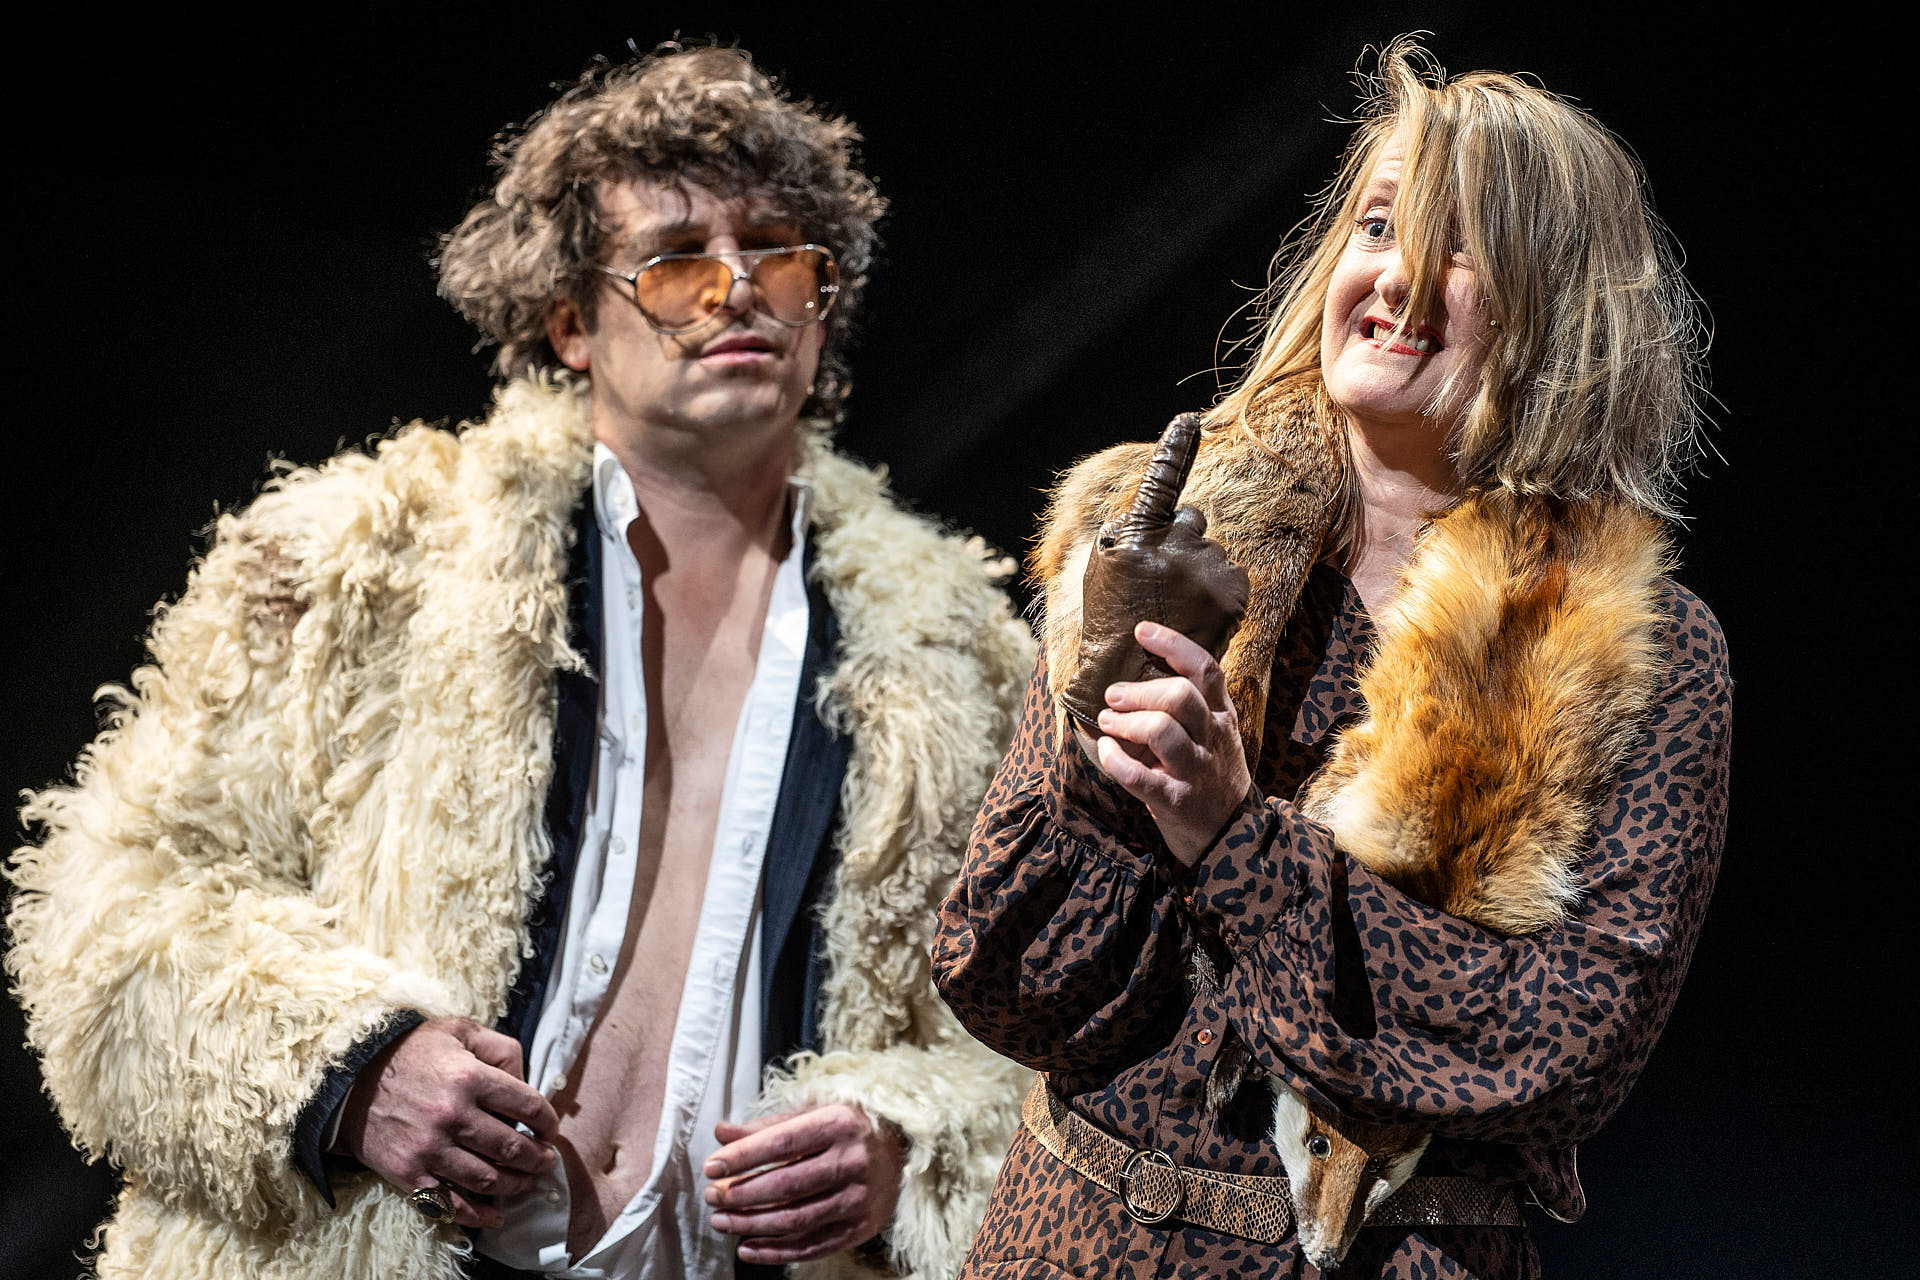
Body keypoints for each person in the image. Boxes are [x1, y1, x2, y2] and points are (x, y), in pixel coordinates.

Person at [6, 45, 1035, 1280]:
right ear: (571, 324)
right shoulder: (360, 555)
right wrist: (351, 1071)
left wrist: (907, 1150)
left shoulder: (958, 656)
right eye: (677, 261)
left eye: (779, 255)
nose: (739, 291)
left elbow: (1040, 1038)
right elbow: (108, 906)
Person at [933, 37, 1729, 1280]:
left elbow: (1554, 1053)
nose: (1398, 274)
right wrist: (1101, 733)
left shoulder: (1642, 650)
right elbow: (1007, 978)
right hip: (1082, 1244)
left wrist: (1235, 842)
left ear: (1560, 310)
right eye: (1377, 225)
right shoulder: (1162, 537)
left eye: (1461, 247)